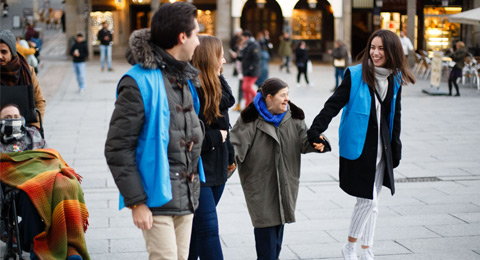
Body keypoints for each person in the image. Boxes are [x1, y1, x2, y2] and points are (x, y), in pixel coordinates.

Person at [104, 2, 204, 259]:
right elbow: (118, 147)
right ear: (182, 37)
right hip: (155, 196)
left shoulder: (185, 77)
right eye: (197, 34)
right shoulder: (138, 81)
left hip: (186, 194)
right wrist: (136, 202)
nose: (199, 42)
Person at [308, 29, 415, 260]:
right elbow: (333, 104)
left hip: (382, 148)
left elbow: (395, 116)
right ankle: (350, 246)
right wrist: (316, 129)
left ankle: (367, 249)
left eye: (381, 49)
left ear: (392, 51)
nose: (375, 53)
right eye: (372, 48)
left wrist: (396, 148)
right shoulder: (356, 75)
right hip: (360, 146)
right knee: (367, 200)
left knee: (373, 201)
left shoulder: (394, 78)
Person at [231, 78, 328, 260]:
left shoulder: (294, 116)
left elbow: (303, 142)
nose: (286, 99)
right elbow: (234, 150)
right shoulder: (249, 119)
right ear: (269, 97)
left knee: (276, 243)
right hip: (261, 187)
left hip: (285, 183)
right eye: (282, 95)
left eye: (288, 95)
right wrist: (221, 172)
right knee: (266, 242)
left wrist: (317, 142)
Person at [0, 104, 89, 260]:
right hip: (16, 185)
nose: (12, 121)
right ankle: (39, 248)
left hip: (43, 177)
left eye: (15, 117)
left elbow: (46, 156)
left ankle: (69, 246)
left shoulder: (32, 133)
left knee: (68, 185)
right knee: (30, 194)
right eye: (7, 118)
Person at [188, 35, 236, 260]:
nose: (224, 60)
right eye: (220, 56)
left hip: (219, 169)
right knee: (208, 229)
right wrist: (218, 136)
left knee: (196, 231)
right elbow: (189, 137)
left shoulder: (218, 87)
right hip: (198, 171)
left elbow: (227, 126)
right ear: (209, 59)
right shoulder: (191, 91)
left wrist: (231, 157)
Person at [0, 29, 46, 129]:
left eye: (4, 52)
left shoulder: (27, 71)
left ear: (12, 52)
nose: (0, 56)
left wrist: (36, 127)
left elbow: (39, 101)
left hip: (25, 130)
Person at [238, 30, 261, 107]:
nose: (242, 40)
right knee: (244, 88)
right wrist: (237, 56)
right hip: (246, 70)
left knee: (246, 87)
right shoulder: (247, 44)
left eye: (243, 38)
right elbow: (244, 56)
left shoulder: (254, 44)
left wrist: (251, 67)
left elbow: (257, 57)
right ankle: (247, 104)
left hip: (252, 71)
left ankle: (259, 100)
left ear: (247, 37)